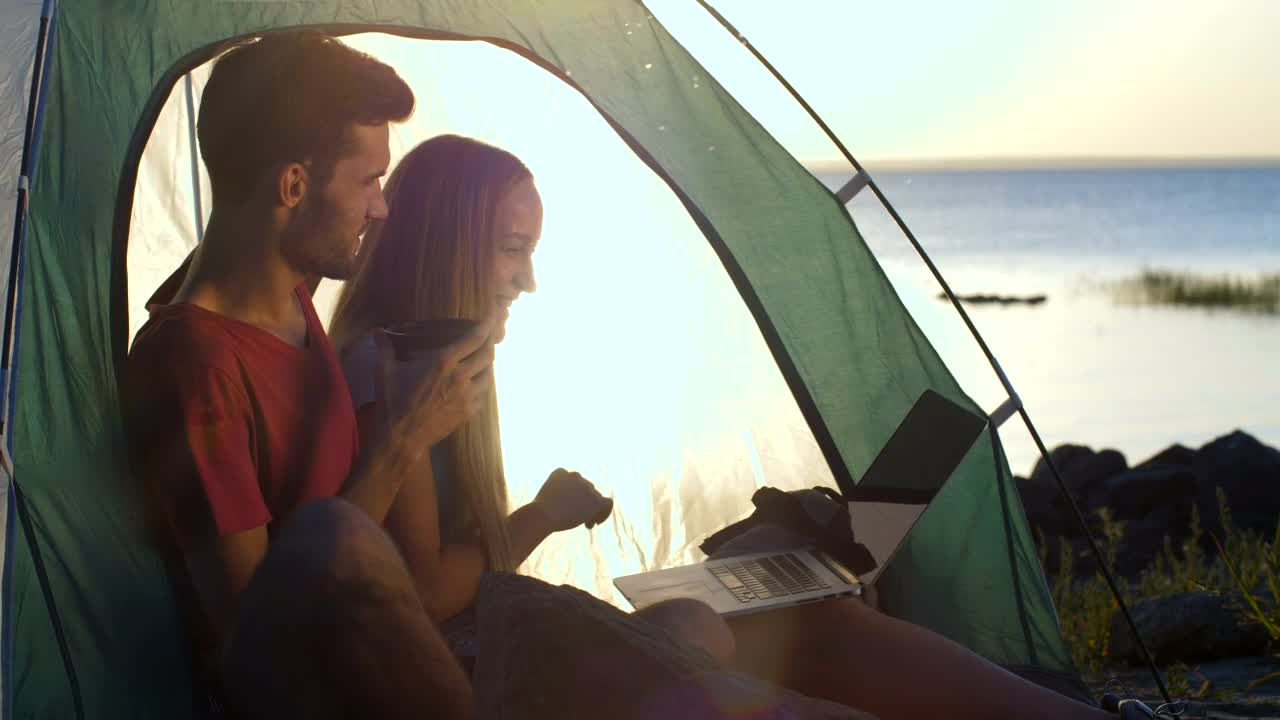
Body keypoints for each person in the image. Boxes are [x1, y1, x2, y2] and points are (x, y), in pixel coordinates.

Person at [329, 135, 1124, 720]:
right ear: (448, 242)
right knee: (778, 619)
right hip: (475, 665)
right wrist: (540, 516)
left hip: (490, 643)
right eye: (512, 250)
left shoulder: (425, 359)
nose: (528, 280)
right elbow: (426, 595)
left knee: (772, 592)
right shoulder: (391, 367)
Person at [123, 33, 483, 719]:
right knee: (333, 540)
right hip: (328, 692)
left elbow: (244, 232)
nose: (382, 207)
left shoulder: (286, 285)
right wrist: (405, 437)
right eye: (370, 179)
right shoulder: (195, 369)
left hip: (396, 648)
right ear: (293, 184)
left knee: (687, 627)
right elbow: (258, 631)